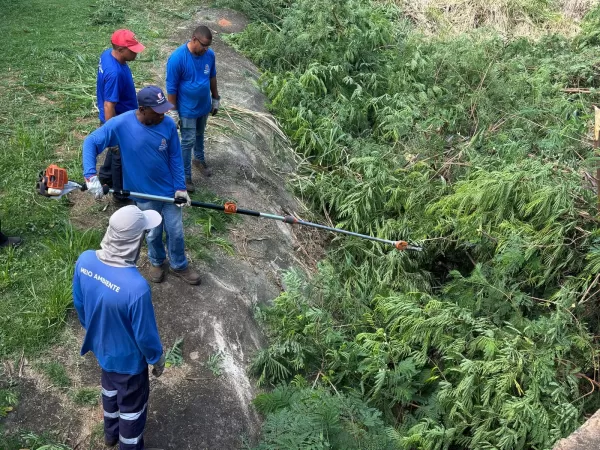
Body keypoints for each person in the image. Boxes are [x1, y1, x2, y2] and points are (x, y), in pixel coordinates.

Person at [83, 85, 201, 285]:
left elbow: (175, 157)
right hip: (144, 194)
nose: (163, 114)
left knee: (176, 230)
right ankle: (157, 261)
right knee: (153, 231)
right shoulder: (121, 124)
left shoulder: (168, 125)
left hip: (170, 191)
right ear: (143, 109)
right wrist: (90, 175)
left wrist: (180, 187)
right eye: (158, 111)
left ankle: (179, 264)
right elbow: (91, 141)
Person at [73, 205, 164, 449]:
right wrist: (157, 359)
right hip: (130, 365)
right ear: (134, 240)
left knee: (110, 392)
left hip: (102, 351)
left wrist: (94, 329)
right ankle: (128, 444)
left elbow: (80, 304)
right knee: (132, 410)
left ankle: (110, 434)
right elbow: (145, 336)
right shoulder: (136, 288)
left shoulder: (85, 261)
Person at [166, 25, 220, 190]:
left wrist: (215, 97)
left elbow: (212, 76)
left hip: (203, 106)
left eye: (208, 46)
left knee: (199, 134)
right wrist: (173, 111)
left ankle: (199, 159)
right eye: (203, 45)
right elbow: (171, 88)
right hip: (187, 109)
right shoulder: (177, 58)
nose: (206, 49)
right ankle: (185, 176)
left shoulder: (209, 55)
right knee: (187, 141)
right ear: (194, 39)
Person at [97, 29, 145, 205]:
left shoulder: (107, 55)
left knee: (114, 151)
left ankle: (105, 176)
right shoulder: (115, 73)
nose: (136, 52)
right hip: (117, 120)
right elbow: (109, 105)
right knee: (120, 156)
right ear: (119, 48)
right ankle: (120, 195)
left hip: (118, 117)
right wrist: (113, 134)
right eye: (132, 50)